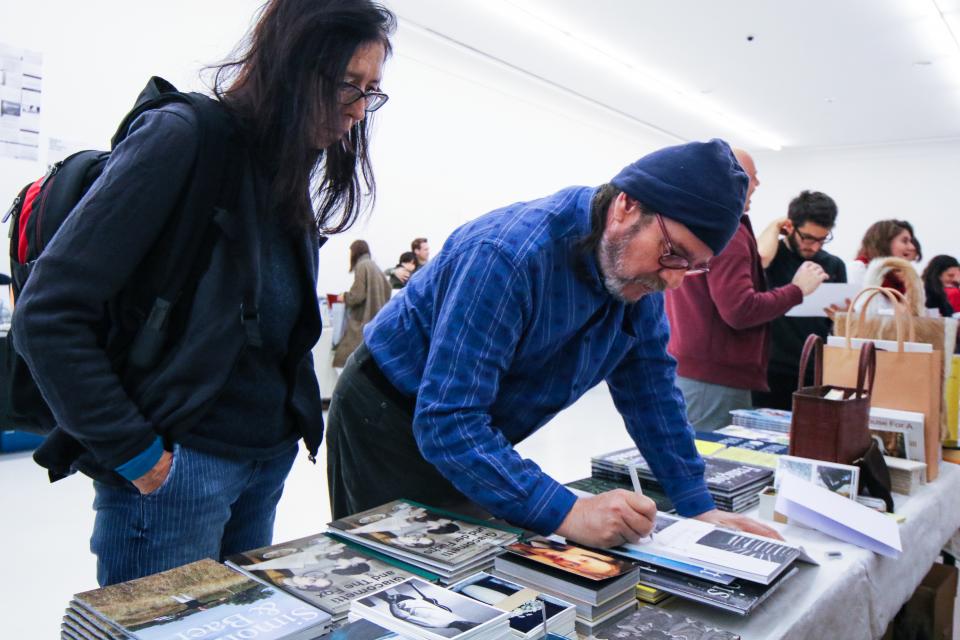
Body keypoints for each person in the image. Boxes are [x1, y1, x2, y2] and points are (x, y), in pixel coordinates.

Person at [12, 0, 396, 586]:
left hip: (261, 463)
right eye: (348, 85)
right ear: (292, 65)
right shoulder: (185, 138)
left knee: (237, 622)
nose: (359, 109)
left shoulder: (285, 169)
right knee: (164, 625)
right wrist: (139, 455)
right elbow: (48, 312)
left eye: (371, 91)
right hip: (177, 473)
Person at [326, 139, 781, 550]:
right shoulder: (507, 256)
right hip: (386, 417)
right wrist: (568, 512)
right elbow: (448, 418)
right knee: (397, 571)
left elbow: (651, 391)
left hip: (473, 428)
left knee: (472, 558)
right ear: (626, 207)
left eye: (693, 266)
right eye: (673, 253)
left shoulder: (639, 278)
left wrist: (696, 503)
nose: (675, 280)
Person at [665, 149, 828, 430]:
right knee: (712, 454)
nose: (758, 184)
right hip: (715, 381)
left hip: (697, 372)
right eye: (752, 177)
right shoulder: (728, 231)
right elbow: (739, 310)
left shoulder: (698, 222)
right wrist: (796, 290)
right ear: (731, 179)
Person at [752, 190, 847, 409]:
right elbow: (760, 258)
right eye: (808, 238)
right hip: (770, 370)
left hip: (815, 370)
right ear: (790, 226)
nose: (814, 246)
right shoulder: (772, 257)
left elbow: (836, 326)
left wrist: (842, 318)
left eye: (822, 239)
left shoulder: (834, 265)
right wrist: (775, 225)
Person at [333, 240, 392, 367]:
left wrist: (344, 296)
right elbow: (388, 288)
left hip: (362, 323)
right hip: (376, 322)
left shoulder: (361, 265)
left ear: (355, 252)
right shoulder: (374, 266)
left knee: (345, 360)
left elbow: (357, 296)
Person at [851, 219, 921, 293]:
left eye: (910, 242)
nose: (912, 247)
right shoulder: (859, 269)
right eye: (904, 241)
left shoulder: (903, 283)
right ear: (885, 243)